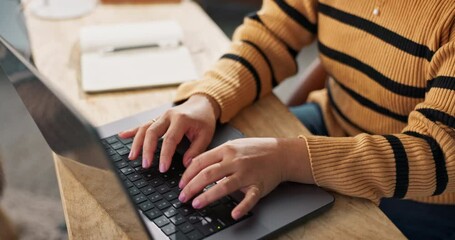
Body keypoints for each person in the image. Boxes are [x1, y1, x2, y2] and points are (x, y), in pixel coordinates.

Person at [120, 0, 455, 238]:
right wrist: (206, 99)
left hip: (427, 191)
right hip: (332, 124)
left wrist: (288, 158)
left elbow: (437, 155)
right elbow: (271, 36)